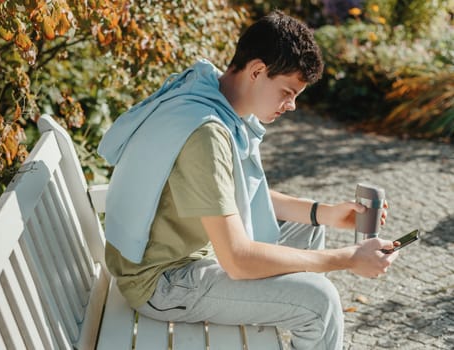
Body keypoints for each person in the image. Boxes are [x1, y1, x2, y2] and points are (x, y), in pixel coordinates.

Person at [97, 10, 398, 350]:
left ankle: (281, 319)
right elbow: (237, 260)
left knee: (310, 227)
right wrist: (348, 258)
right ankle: (296, 317)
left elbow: (230, 191)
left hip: (178, 254)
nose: (292, 106)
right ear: (257, 71)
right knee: (320, 303)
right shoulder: (205, 133)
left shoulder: (207, 90)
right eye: (288, 91)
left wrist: (325, 212)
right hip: (164, 283)